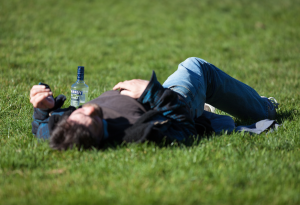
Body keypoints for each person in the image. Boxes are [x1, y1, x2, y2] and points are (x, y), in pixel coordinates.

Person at [30, 57, 279, 150]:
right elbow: (184, 129)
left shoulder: (63, 131)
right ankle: (264, 107)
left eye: (80, 113)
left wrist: (42, 107)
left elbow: (42, 127)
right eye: (95, 120)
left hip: (161, 98)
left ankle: (207, 112)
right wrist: (151, 92)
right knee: (196, 67)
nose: (90, 109)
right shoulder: (140, 134)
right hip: (172, 100)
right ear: (97, 137)